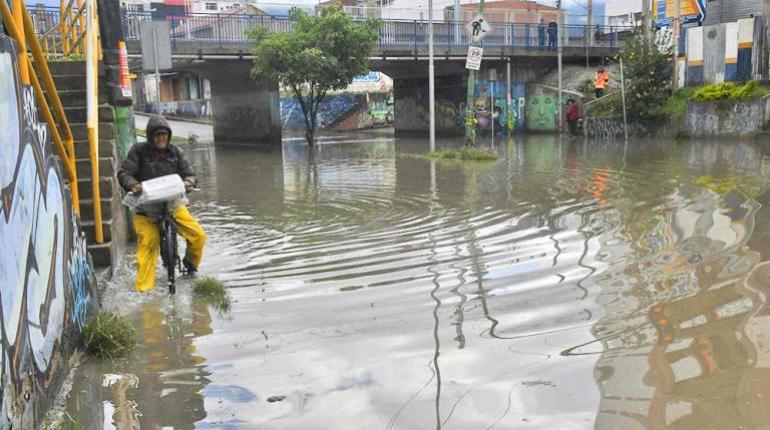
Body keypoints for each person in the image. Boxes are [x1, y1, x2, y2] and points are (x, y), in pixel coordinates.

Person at [118, 115, 206, 292]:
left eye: (164, 135)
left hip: (173, 205)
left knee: (198, 235)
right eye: (158, 135)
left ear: (169, 136)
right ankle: (144, 292)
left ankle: (190, 265)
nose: (161, 138)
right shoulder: (138, 151)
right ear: (151, 137)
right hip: (145, 210)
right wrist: (133, 184)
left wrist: (189, 182)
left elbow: (190, 173)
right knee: (148, 246)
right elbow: (124, 173)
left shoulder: (175, 152)